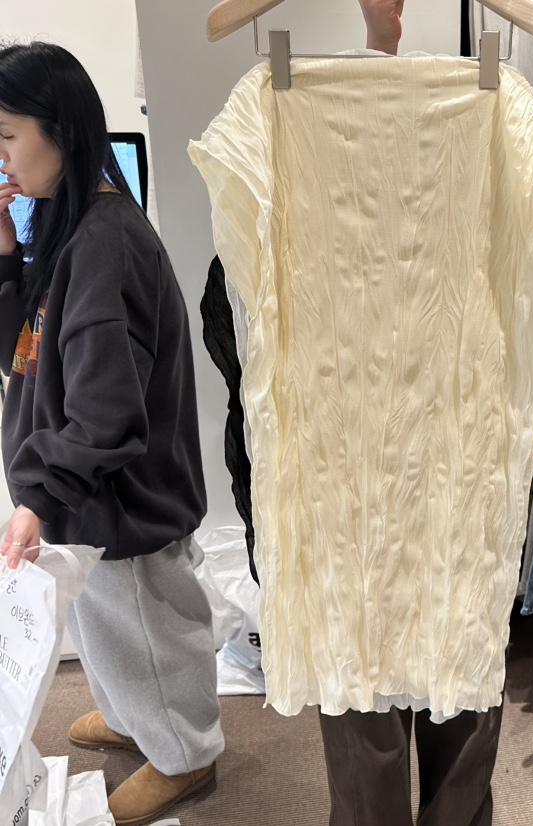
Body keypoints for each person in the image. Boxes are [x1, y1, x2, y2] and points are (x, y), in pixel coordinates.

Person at [311, 3, 533, 825]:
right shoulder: (297, 130)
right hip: (345, 500)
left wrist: (519, 432)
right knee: (366, 720)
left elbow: (474, 335)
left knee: (462, 709)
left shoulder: (489, 132)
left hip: (456, 495)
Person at [0, 43, 223, 825]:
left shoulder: (104, 240)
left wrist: (38, 495)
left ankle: (187, 754)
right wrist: (6, 260)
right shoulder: (67, 228)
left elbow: (105, 413)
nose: (0, 158)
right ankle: (137, 717)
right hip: (91, 496)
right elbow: (21, 351)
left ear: (60, 131)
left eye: (7, 137)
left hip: (123, 498)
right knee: (109, 631)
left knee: (150, 630)